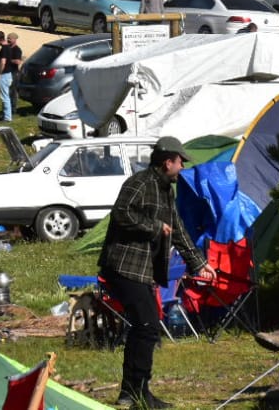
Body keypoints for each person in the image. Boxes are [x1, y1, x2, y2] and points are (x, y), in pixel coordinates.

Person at [98, 136, 216, 409]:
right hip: (123, 267)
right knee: (148, 327)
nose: (182, 168)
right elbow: (121, 214)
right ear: (167, 162)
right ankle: (137, 394)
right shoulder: (140, 183)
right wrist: (153, 227)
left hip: (141, 271)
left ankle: (132, 393)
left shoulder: (166, 191)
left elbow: (178, 230)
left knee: (145, 327)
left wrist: (199, 263)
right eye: (180, 162)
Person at [0, 32, 23, 121]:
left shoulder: (16, 50)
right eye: (8, 38)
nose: (8, 40)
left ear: (15, 40)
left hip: (12, 73)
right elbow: (2, 57)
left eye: (10, 38)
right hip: (8, 73)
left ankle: (10, 113)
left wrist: (8, 62)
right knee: (7, 94)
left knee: (11, 93)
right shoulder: (8, 48)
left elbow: (17, 62)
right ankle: (7, 113)